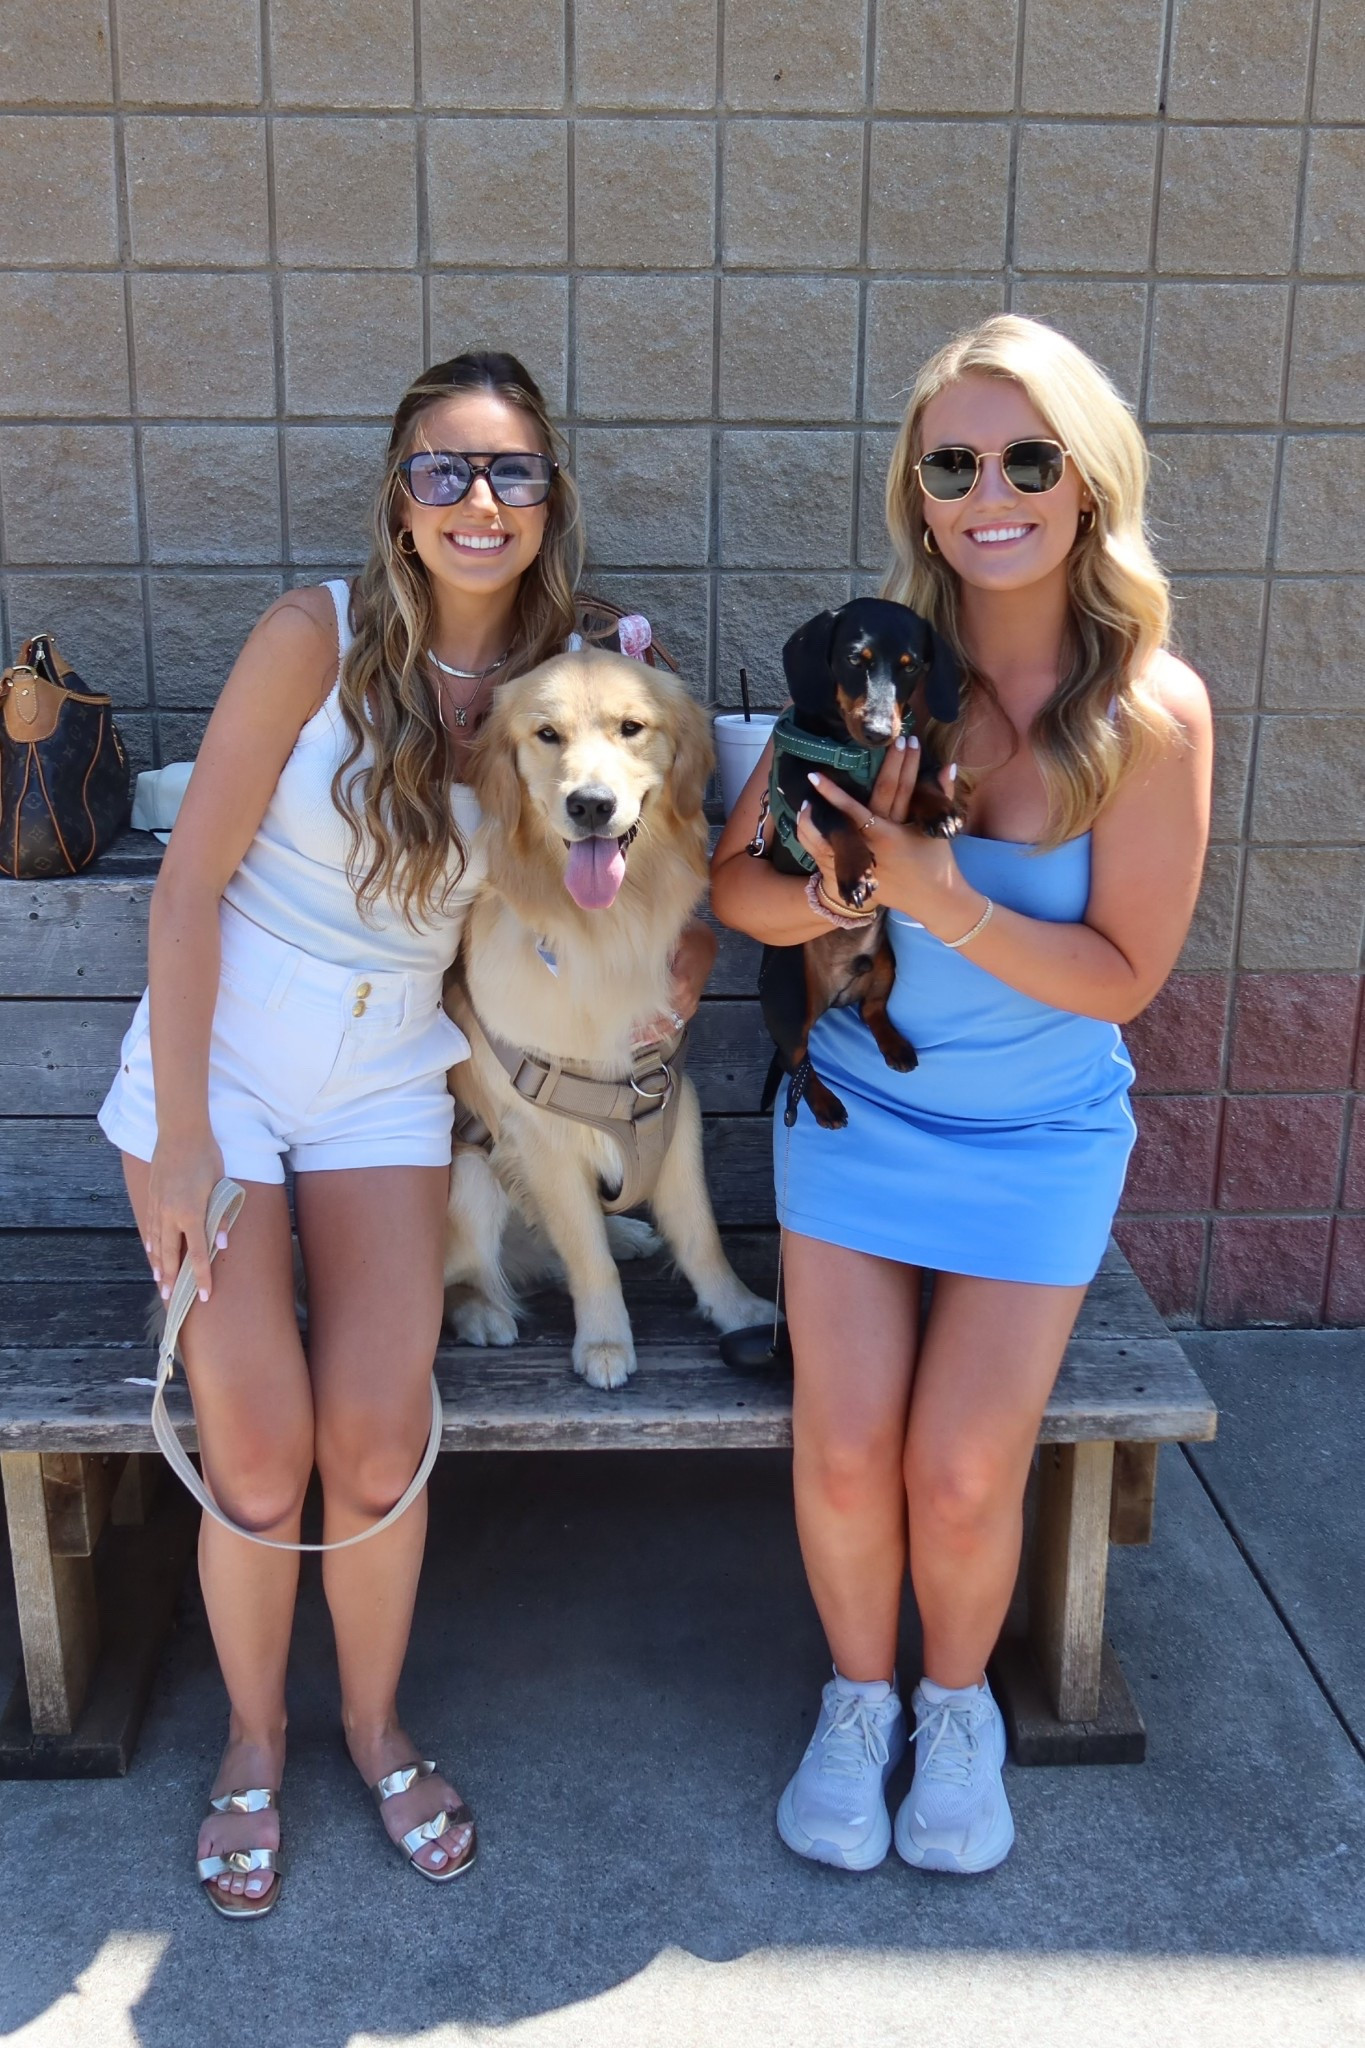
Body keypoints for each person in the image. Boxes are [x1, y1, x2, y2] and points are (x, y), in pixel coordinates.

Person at [98, 350, 714, 1915]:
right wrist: (180, 1138)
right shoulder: (311, 637)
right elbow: (186, 889)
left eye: (508, 472)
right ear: (400, 497)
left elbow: (667, 843)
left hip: (388, 1074)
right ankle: (250, 1739)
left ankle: (371, 1728)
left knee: (375, 1435)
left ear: (547, 501)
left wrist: (688, 968)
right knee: (257, 1442)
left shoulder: (569, 690)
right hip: (221, 1067)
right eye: (445, 470)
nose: (478, 500)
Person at [711, 315, 1212, 1877]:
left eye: (1022, 458)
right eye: (951, 461)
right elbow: (740, 892)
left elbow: (1122, 974)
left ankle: (956, 1705)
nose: (986, 490)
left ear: (1085, 483)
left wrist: (934, 892)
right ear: (914, 495)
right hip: (861, 1110)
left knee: (959, 1465)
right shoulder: (870, 671)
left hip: (1037, 1141)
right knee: (847, 1443)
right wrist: (844, 887)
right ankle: (857, 1702)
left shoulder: (1146, 716)